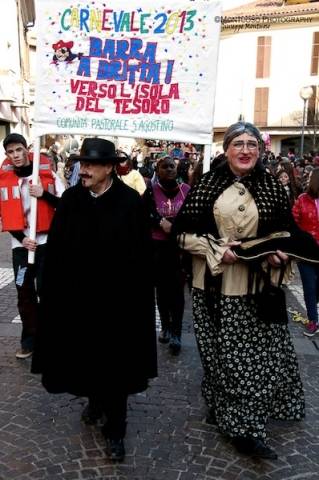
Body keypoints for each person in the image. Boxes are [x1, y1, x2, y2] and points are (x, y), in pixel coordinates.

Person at [172, 122, 305, 460]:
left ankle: (247, 430)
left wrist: (280, 254)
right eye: (238, 144)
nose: (246, 150)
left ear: (260, 151)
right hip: (212, 288)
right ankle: (220, 407)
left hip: (257, 290)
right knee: (218, 357)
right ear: (226, 150)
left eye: (252, 144)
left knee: (250, 362)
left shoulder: (273, 188)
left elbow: (286, 233)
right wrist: (214, 248)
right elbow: (181, 235)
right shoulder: (206, 185)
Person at [31, 137, 157, 462]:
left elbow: (142, 259)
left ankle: (116, 430)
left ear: (109, 168)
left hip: (117, 306)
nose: (82, 170)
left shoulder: (130, 202)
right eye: (81, 164)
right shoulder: (72, 199)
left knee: (115, 367)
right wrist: (51, 289)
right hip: (79, 303)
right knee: (85, 359)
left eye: (89, 164)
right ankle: (96, 401)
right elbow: (58, 250)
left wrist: (133, 300)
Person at [0, 133, 65, 359]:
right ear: (7, 155)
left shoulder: (47, 174)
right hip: (21, 248)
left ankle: (51, 339)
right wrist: (21, 238)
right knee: (24, 293)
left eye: (19, 150)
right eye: (10, 152)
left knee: (48, 292)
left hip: (46, 245)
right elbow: (4, 215)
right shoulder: (4, 180)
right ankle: (29, 340)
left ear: (27, 149)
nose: (16, 155)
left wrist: (43, 194)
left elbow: (65, 206)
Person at [143, 156, 190, 355]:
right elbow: (143, 213)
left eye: (172, 166)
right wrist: (159, 221)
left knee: (177, 292)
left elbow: (192, 215)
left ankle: (177, 333)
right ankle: (166, 326)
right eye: (165, 167)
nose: (170, 170)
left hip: (179, 248)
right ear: (158, 170)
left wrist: (175, 226)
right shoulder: (151, 191)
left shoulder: (186, 190)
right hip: (158, 248)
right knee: (162, 291)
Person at [292, 167, 319, 336]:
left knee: (316, 288)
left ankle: (313, 308)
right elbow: (293, 223)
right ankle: (313, 320)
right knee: (309, 287)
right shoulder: (302, 200)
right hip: (307, 251)